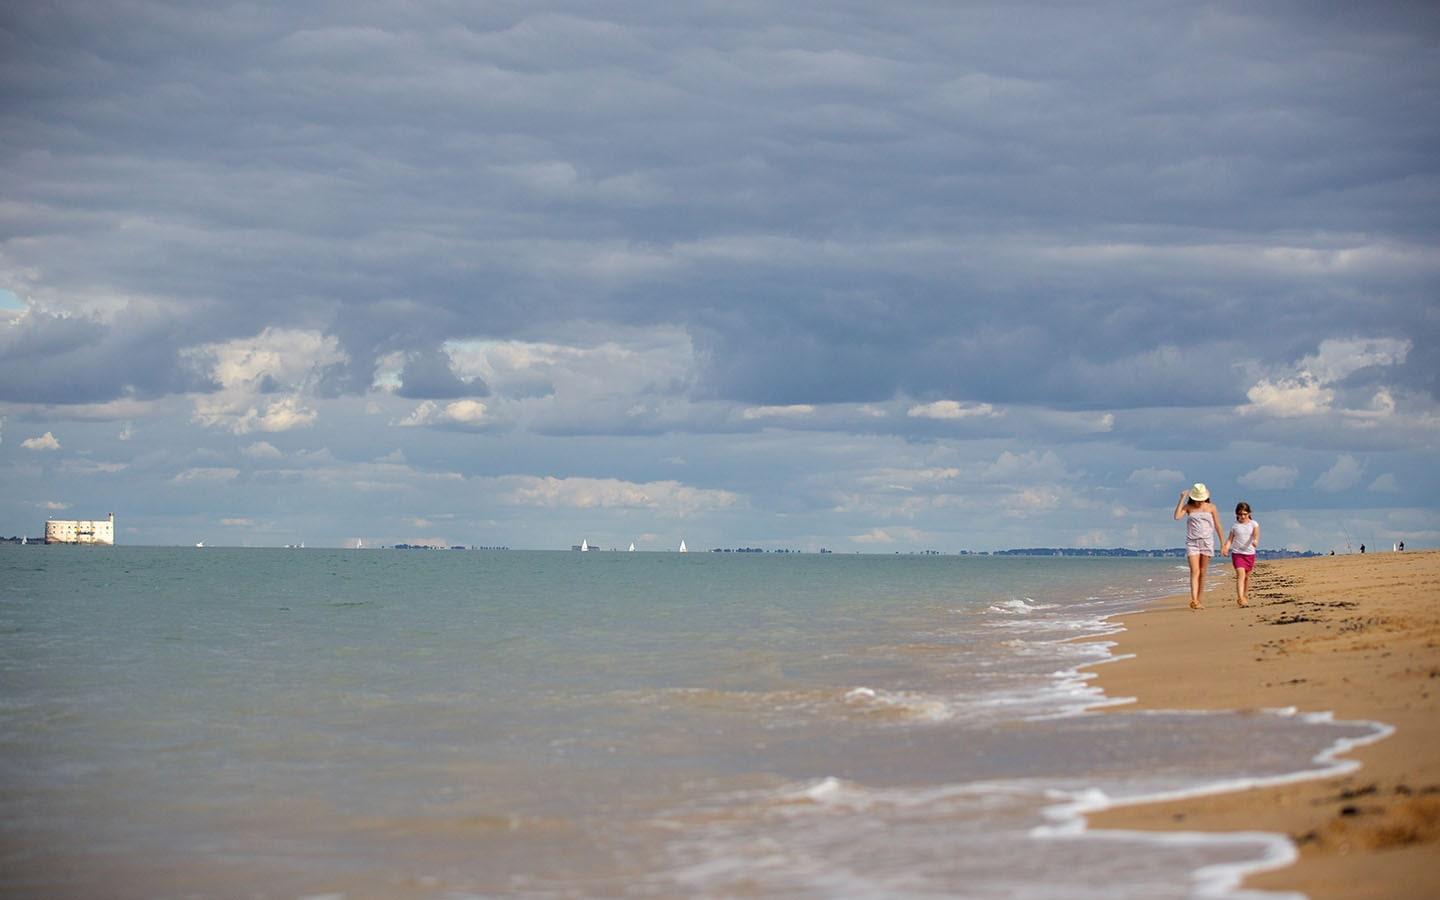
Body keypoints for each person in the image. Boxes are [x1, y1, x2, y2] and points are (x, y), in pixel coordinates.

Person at [1175, 483, 1224, 610]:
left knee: (1202, 572)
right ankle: (1194, 600)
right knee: (1194, 571)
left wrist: (1222, 543)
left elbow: (1218, 525)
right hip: (1192, 542)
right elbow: (1177, 517)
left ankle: (1199, 599)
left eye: (1201, 499)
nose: (1199, 502)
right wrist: (1182, 498)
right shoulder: (1188, 507)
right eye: (1197, 499)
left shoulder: (1211, 507)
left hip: (1207, 542)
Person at [1221, 501, 1260, 607]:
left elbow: (1256, 535)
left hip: (1250, 554)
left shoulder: (1254, 524)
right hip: (1237, 554)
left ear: (1249, 513)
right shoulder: (1235, 526)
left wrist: (1255, 541)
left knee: (1247, 577)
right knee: (1241, 575)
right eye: (1240, 514)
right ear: (1237, 514)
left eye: (1245, 514)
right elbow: (1230, 540)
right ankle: (1240, 598)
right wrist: (1225, 547)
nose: (1242, 516)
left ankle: (1244, 595)